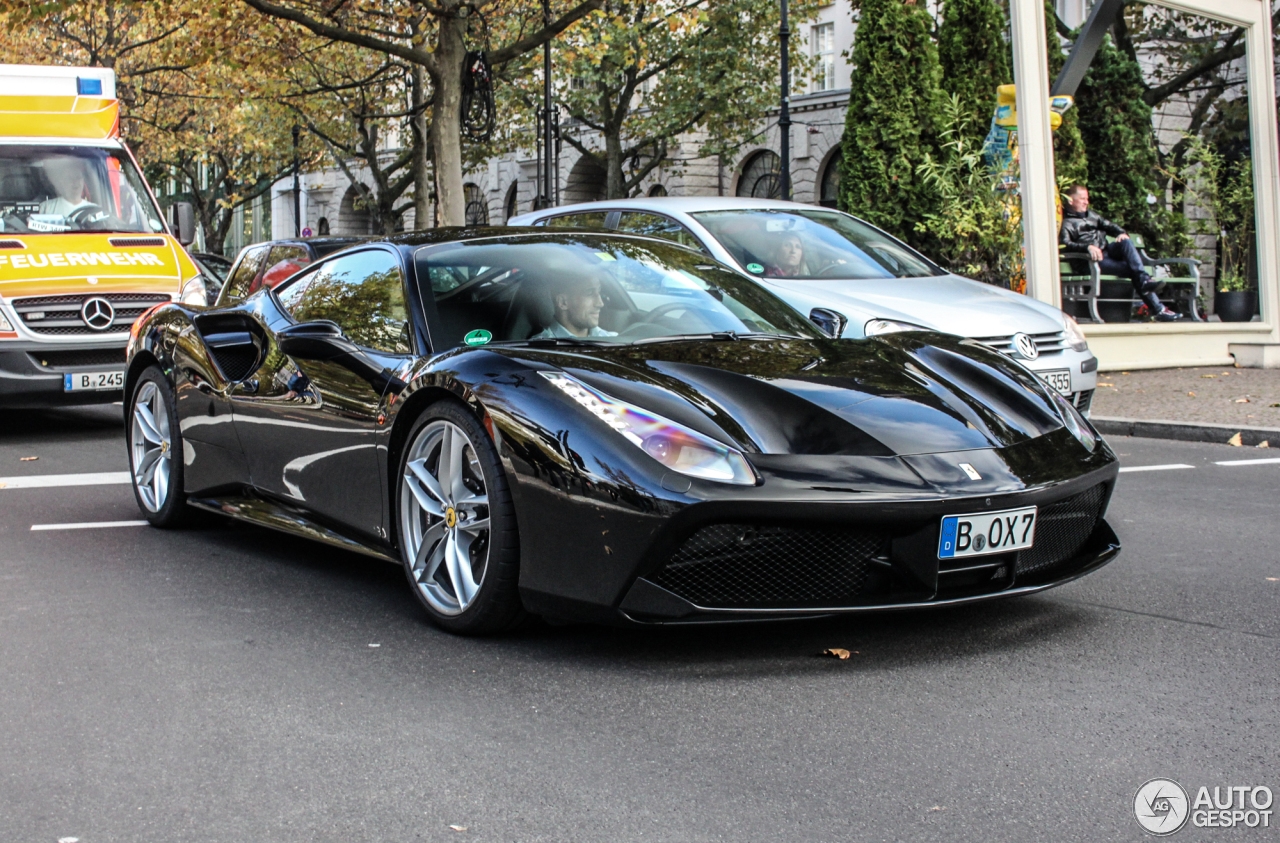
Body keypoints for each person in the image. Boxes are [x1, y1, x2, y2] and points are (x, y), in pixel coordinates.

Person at [1059, 184, 1180, 322]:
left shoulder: (1091, 215)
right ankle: (1158, 308)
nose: (1086, 202)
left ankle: (1146, 283)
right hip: (1090, 260)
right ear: (1070, 200)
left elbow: (1110, 226)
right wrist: (1087, 247)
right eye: (1082, 199)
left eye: (1087, 198)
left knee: (1126, 242)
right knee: (1133, 271)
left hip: (1106, 253)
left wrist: (1121, 233)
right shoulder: (1066, 222)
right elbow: (1065, 245)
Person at [532, 271, 619, 339]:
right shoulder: (539, 349)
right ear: (563, 302)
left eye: (599, 292)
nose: (600, 303)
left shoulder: (615, 340)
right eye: (589, 293)